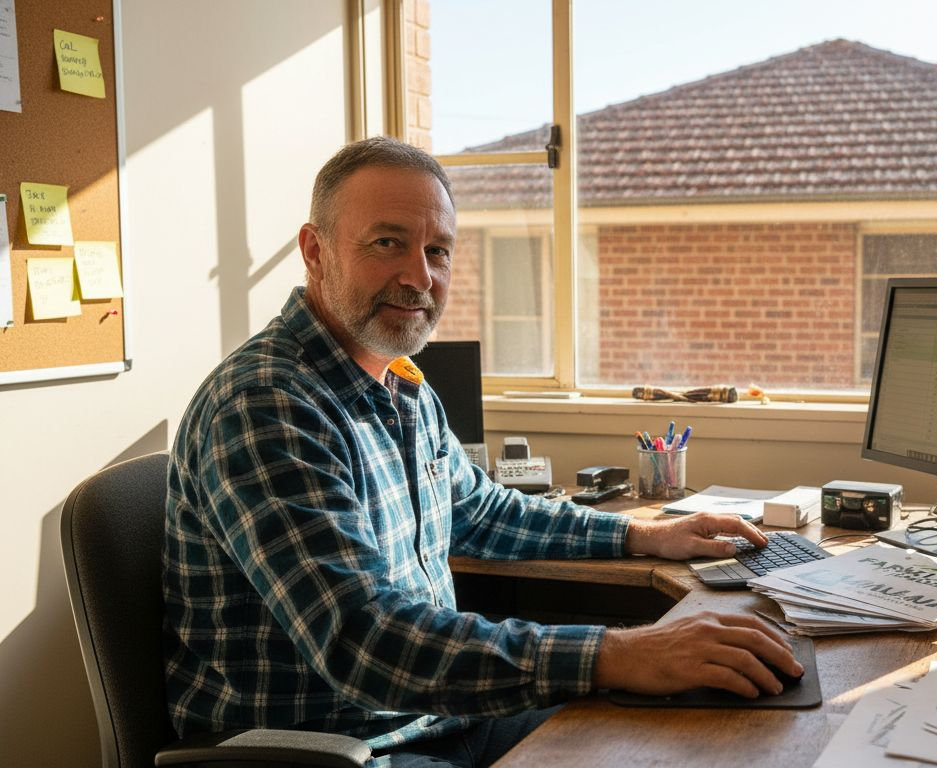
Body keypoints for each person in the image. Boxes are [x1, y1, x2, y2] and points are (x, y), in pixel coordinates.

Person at [162, 136, 800, 767]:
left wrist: (642, 536)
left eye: (437, 251)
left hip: (435, 719)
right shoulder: (265, 405)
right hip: (335, 747)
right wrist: (624, 653)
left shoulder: (400, 383)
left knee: (681, 735)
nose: (419, 277)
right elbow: (365, 641)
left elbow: (482, 512)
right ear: (315, 251)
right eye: (388, 243)